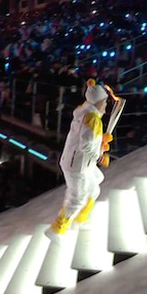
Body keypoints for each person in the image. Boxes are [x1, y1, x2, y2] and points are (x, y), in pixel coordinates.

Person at [45, 79, 113, 244]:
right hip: (77, 165)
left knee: (94, 188)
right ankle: (56, 230)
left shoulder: (85, 113)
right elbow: (85, 144)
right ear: (98, 102)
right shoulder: (92, 118)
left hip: (79, 162)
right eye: (104, 103)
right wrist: (100, 154)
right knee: (78, 198)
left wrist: (101, 141)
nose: (105, 106)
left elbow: (85, 140)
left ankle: (80, 220)